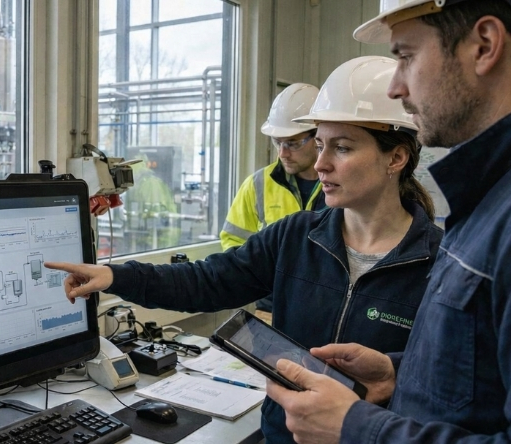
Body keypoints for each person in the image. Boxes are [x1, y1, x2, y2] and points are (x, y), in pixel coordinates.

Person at [46, 55, 442, 444]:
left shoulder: (440, 263)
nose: (321, 164)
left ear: (396, 157)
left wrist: (394, 371)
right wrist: (116, 277)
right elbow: (206, 281)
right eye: (320, 145)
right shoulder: (295, 235)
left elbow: (449, 380)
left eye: (341, 148)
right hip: (283, 435)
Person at [265, 1, 511, 443]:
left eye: (406, 57)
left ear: (485, 45)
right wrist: (398, 372)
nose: (397, 87)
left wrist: (357, 427)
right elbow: (480, 387)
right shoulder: (483, 205)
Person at [220, 83, 325, 316]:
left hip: (325, 314)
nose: (282, 153)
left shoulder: (341, 187)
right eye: (278, 142)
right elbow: (234, 242)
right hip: (270, 312)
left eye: (292, 143)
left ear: (319, 136)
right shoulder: (258, 184)